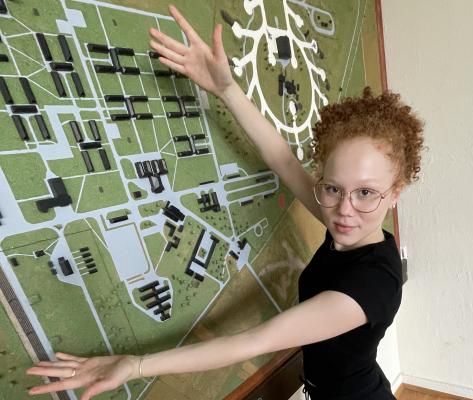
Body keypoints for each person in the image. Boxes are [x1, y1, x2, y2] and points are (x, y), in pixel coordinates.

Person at [26, 5, 424, 400]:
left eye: (366, 193)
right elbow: (284, 160)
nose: (343, 208)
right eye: (333, 188)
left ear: (396, 192)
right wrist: (226, 88)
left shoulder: (375, 282)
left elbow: (254, 340)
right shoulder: (350, 226)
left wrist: (136, 365)